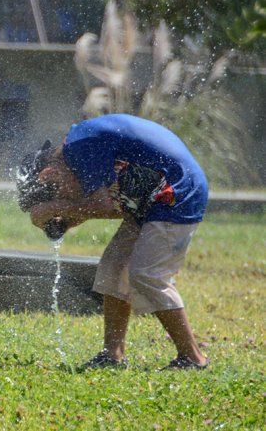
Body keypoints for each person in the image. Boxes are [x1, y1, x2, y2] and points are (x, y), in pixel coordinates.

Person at [26, 113, 209, 370]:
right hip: (150, 200)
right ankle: (112, 355)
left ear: (49, 172)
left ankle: (192, 358)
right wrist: (63, 221)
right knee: (113, 268)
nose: (61, 196)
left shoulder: (79, 149)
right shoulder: (77, 146)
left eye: (54, 191)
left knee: (146, 274)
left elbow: (105, 207)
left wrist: (54, 207)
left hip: (175, 194)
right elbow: (108, 204)